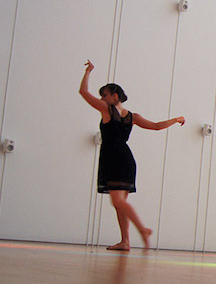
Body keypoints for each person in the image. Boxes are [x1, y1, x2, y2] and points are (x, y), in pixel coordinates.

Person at [78, 60, 184, 251]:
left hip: (115, 158)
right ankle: (125, 241)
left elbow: (83, 93)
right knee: (120, 204)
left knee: (117, 201)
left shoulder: (107, 110)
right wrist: (176, 119)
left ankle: (143, 230)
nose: (101, 99)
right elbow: (156, 126)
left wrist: (88, 72)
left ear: (115, 96)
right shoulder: (132, 116)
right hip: (126, 159)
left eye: (104, 95)